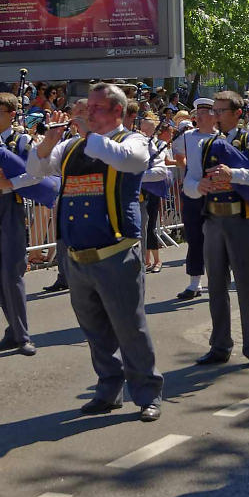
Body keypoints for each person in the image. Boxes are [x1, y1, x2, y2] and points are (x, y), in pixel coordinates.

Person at [31, 82, 162, 420]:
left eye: (96, 108)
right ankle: (108, 390)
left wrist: (88, 134)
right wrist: (49, 139)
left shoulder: (133, 141)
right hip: (78, 256)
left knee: (130, 328)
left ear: (118, 111)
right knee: (95, 331)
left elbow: (127, 160)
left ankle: (147, 394)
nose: (87, 113)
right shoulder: (72, 146)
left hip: (117, 252)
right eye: (87, 107)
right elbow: (35, 170)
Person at [192, 89, 249, 369]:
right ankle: (219, 346)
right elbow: (190, 182)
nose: (214, 115)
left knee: (248, 288)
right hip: (213, 222)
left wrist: (234, 174)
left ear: (237, 113)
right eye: (213, 111)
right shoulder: (206, 144)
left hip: (242, 221)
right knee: (216, 288)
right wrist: (198, 186)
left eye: (220, 111)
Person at [0, 92, 44, 355]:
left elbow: (36, 174)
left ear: (12, 114)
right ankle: (13, 329)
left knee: (12, 273)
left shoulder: (23, 140)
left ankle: (22, 335)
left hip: (11, 207)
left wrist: (10, 183)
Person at [172, 96, 218, 302]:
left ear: (213, 116)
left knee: (218, 239)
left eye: (202, 114)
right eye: (196, 114)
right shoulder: (188, 136)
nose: (197, 118)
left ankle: (219, 280)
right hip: (193, 193)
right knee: (194, 237)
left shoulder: (222, 138)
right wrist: (190, 176)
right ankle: (194, 283)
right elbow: (179, 156)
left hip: (216, 195)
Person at [139, 111, 173, 273]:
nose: (143, 130)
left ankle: (157, 260)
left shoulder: (158, 144)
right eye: (142, 127)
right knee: (142, 226)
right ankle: (146, 260)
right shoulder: (137, 142)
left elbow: (161, 166)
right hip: (140, 188)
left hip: (152, 188)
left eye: (147, 128)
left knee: (151, 225)